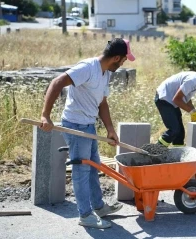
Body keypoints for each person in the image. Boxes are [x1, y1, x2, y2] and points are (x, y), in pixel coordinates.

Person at [39, 38, 135, 229]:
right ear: (116, 57)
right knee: (81, 171)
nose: (124, 63)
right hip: (75, 126)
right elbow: (57, 82)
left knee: (93, 167)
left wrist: (110, 129)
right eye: (124, 60)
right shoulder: (87, 68)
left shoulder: (106, 73)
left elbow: (102, 103)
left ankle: (99, 207)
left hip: (88, 125)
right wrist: (45, 116)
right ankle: (85, 215)